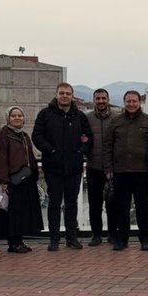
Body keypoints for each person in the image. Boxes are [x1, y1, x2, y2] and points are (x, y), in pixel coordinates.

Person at [32, 83, 92, 251]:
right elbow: (37, 136)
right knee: (54, 204)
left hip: (74, 167)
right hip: (53, 168)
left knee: (71, 204)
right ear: (56, 94)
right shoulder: (45, 114)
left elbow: (88, 137)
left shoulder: (79, 116)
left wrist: (80, 152)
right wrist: (50, 150)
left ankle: (72, 238)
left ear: (72, 96)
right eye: (62, 93)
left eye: (68, 93)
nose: (65, 96)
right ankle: (54, 239)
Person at [105, 90, 148, 251]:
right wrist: (108, 168)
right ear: (124, 102)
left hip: (142, 172)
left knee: (143, 207)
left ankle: (145, 239)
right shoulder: (116, 122)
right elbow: (108, 146)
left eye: (134, 101)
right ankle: (122, 239)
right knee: (122, 207)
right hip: (120, 171)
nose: (131, 104)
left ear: (139, 102)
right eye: (128, 101)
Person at [0, 107, 42, 253]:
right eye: (13, 116)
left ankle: (19, 241)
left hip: (25, 179)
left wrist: (34, 174)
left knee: (22, 213)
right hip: (12, 180)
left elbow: (30, 157)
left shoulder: (24, 136)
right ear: (8, 118)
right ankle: (13, 243)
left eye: (20, 115)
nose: (17, 118)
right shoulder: (2, 135)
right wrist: (3, 180)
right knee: (12, 214)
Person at [85, 89, 118, 246]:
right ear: (94, 100)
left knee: (112, 203)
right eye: (98, 98)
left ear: (108, 99)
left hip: (114, 168)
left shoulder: (118, 117)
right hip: (93, 166)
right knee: (95, 204)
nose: (101, 101)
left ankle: (112, 233)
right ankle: (96, 234)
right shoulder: (87, 118)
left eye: (103, 98)